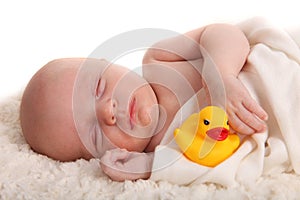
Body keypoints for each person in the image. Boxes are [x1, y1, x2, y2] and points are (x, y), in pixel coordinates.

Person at [20, 23, 268, 181]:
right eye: (94, 133)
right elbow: (207, 173)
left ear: (109, 63)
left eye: (99, 88)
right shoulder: (164, 155)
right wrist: (149, 166)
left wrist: (221, 76)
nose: (108, 111)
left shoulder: (160, 61)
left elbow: (224, 33)